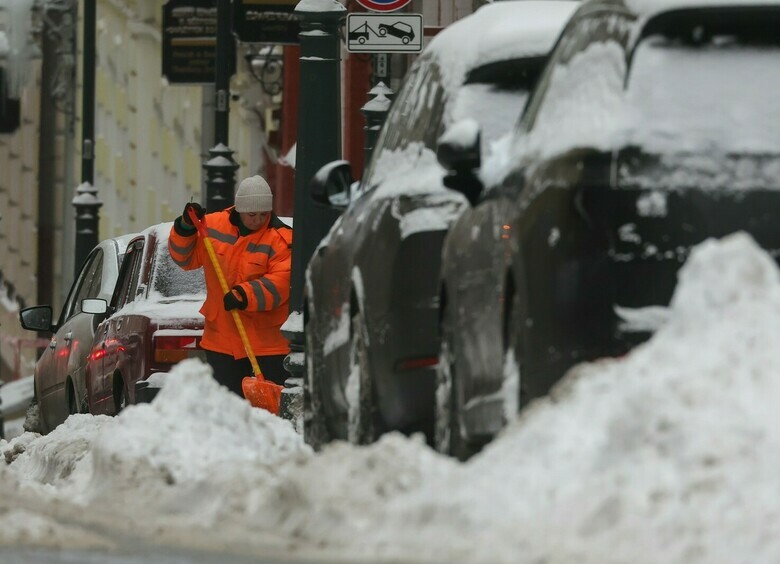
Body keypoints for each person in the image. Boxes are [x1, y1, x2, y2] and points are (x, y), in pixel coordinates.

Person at [168, 175, 292, 396]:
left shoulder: (281, 239)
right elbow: (184, 259)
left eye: (264, 214)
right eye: (252, 214)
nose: (258, 220)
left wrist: (245, 295)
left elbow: (281, 282)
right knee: (227, 408)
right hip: (221, 342)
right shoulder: (212, 227)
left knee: (268, 409)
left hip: (267, 346)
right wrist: (185, 228)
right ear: (239, 209)